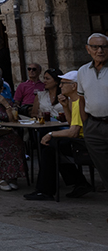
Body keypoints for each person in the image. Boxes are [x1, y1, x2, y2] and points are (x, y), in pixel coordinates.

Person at [25, 70, 95, 201]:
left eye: (64, 83)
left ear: (74, 86)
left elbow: (73, 131)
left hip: (84, 143)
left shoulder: (80, 102)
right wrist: (65, 107)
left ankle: (45, 190)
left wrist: (51, 134)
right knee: (52, 149)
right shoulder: (74, 101)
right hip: (80, 140)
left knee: (50, 148)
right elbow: (71, 123)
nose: (61, 86)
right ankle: (79, 183)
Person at [77, 32, 108, 199]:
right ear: (88, 49)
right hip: (94, 126)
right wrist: (86, 124)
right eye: (95, 47)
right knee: (103, 168)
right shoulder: (83, 71)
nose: (100, 50)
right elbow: (81, 99)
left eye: (103, 47)